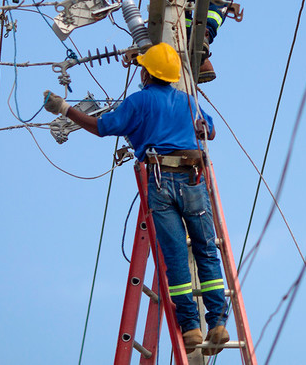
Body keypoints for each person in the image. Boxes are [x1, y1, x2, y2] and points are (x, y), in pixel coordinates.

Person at [43, 42, 230, 355]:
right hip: (193, 178)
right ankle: (219, 323)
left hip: (160, 180)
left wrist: (63, 109)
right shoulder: (187, 101)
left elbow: (101, 127)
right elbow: (209, 131)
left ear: (146, 73)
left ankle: (191, 329)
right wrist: (197, 127)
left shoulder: (139, 101)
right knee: (206, 251)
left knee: (175, 257)